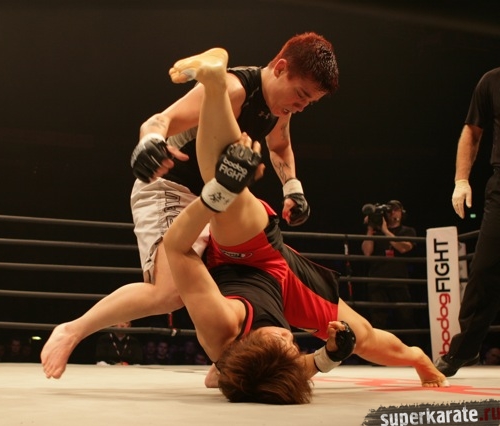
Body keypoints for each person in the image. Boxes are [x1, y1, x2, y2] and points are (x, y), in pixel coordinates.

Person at [42, 32, 339, 378]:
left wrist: (293, 188)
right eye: (301, 95)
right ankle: (72, 330)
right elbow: (159, 121)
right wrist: (149, 143)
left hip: (214, 201)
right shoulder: (234, 89)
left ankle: (227, 364)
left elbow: (279, 145)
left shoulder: (279, 106)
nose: (301, 106)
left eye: (309, 102)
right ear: (281, 68)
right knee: (168, 293)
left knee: (229, 286)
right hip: (172, 189)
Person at [161, 47, 447, 403]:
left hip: (244, 257)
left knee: (227, 198)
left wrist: (218, 192)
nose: (290, 339)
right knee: (363, 336)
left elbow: (176, 248)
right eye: (294, 350)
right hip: (288, 283)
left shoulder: (221, 324)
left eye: (284, 346)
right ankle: (419, 357)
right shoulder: (274, 364)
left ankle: (215, 82)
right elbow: (296, 366)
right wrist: (328, 356)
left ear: (251, 350)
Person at [435, 67, 500, 377]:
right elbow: (472, 131)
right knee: (485, 269)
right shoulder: (492, 81)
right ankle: (465, 348)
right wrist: (461, 180)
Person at [361, 200, 417, 339]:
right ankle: (378, 351)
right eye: (390, 210)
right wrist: (370, 228)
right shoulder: (376, 233)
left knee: (405, 317)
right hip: (377, 280)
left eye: (396, 210)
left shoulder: (407, 231)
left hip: (399, 280)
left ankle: (410, 349)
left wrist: (385, 231)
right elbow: (367, 252)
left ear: (402, 213)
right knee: (378, 320)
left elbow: (403, 248)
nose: (393, 213)